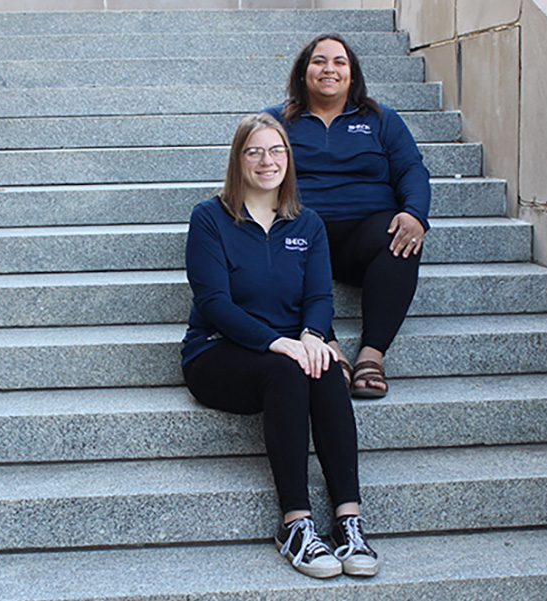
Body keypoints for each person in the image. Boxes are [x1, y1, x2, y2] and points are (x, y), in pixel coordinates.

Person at [182, 113, 379, 579]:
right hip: (218, 351)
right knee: (291, 369)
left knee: (326, 365)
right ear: (238, 160)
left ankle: (348, 521)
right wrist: (279, 344)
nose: (266, 161)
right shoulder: (209, 218)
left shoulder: (307, 224)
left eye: (277, 151)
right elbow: (213, 303)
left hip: (288, 349)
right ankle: (295, 523)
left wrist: (311, 336)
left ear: (289, 160)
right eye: (254, 151)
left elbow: (318, 297)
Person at [265, 34, 431, 399]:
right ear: (303, 71)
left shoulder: (381, 120)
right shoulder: (277, 121)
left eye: (340, 62)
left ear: (352, 75)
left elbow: (411, 170)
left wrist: (415, 214)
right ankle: (329, 346)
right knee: (274, 240)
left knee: (400, 238)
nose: (329, 69)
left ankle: (372, 354)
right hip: (303, 233)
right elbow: (255, 173)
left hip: (365, 233)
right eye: (319, 61)